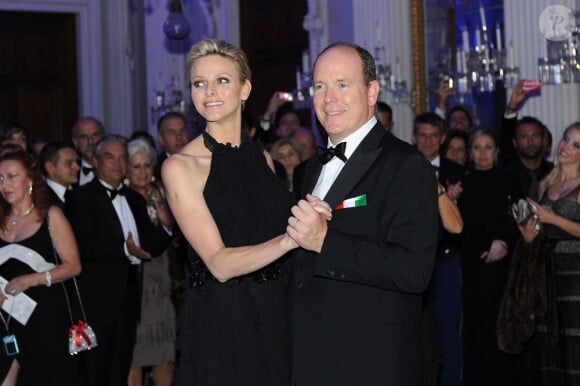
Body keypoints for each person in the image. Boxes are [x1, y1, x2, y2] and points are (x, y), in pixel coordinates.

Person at [162, 39, 327, 386]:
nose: (209, 91)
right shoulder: (180, 167)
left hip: (277, 309)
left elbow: (269, 229)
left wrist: (310, 216)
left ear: (244, 88)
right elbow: (219, 263)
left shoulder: (263, 158)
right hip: (224, 318)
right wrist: (291, 238)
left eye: (222, 80)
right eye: (198, 83)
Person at [288, 41, 438, 386]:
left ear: (372, 91)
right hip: (311, 357)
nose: (329, 99)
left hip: (369, 362)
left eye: (343, 85)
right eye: (320, 87)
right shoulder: (310, 169)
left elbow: (413, 269)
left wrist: (325, 240)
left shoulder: (406, 164)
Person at [65, 135, 171, 386]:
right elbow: (80, 246)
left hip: (129, 298)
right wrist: (124, 250)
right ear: (97, 161)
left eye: (122, 157)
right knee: (92, 368)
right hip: (94, 300)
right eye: (109, 157)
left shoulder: (134, 198)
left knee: (121, 365)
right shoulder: (81, 197)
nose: (117, 163)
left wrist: (167, 228)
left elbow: (148, 246)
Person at [0, 149, 82, 385]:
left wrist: (31, 279)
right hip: (5, 318)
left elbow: (74, 266)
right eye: (0, 179)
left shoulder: (51, 215)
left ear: (30, 179)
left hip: (44, 319)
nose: (4, 184)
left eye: (12, 176)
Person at [458, 130, 522, 386]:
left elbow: (521, 218)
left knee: (504, 330)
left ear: (496, 152)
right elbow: (459, 227)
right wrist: (485, 245)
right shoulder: (462, 184)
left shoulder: (510, 180)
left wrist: (503, 244)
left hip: (506, 269)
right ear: (470, 153)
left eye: (488, 147)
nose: (482, 153)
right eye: (476, 148)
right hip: (475, 266)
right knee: (477, 333)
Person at [520, 121, 580, 385]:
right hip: (548, 275)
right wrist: (529, 232)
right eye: (566, 139)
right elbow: (539, 229)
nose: (566, 146)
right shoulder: (547, 182)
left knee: (575, 348)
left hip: (576, 277)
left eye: (576, 144)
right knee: (550, 349)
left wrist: (552, 218)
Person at [413, 112, 465, 386]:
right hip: (410, 260)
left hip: (445, 260)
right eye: (423, 135)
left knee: (448, 330)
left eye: (434, 135)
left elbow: (463, 225)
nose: (428, 141)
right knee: (416, 333)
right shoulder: (402, 167)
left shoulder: (457, 172)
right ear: (414, 137)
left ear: (442, 138)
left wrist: (449, 202)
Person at [126, 139, 176, 386]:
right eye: (136, 166)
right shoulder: (122, 198)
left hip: (164, 285)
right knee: (133, 357)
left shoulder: (164, 192)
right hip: (136, 286)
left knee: (165, 355)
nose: (143, 171)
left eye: (147, 165)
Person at [38, 141, 80, 208]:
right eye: (69, 163)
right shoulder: (40, 199)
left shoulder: (82, 193)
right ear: (50, 168)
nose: (77, 167)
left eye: (77, 162)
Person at [154, 112, 189, 181]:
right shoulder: (156, 168)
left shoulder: (201, 160)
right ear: (161, 139)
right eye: (171, 132)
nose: (179, 137)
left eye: (182, 130)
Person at [71, 117, 105, 186]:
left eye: (95, 135)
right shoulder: (69, 170)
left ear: (104, 139)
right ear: (75, 142)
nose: (90, 142)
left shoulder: (117, 167)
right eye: (83, 137)